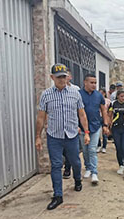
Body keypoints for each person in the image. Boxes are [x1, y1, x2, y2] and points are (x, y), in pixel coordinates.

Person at [35, 63, 90, 210]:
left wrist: (86, 132)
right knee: (56, 165)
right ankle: (58, 195)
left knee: (76, 162)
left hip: (71, 135)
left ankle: (77, 180)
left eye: (64, 77)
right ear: (52, 77)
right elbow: (41, 117)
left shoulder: (75, 93)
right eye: (58, 77)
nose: (61, 80)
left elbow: (82, 114)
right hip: (54, 136)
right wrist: (38, 137)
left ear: (67, 77)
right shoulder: (46, 95)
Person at [79, 74, 109, 184]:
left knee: (92, 149)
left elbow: (104, 110)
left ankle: (94, 172)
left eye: (95, 83)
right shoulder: (79, 95)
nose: (94, 85)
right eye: (91, 83)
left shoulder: (99, 96)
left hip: (96, 126)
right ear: (85, 82)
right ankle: (88, 168)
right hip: (82, 128)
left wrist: (105, 124)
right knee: (85, 150)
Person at [63, 67, 80, 179]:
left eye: (66, 75)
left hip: (72, 125)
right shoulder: (54, 89)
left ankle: (68, 169)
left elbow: (79, 109)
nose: (65, 78)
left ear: (70, 77)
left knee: (72, 152)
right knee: (63, 150)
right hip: (60, 127)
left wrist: (78, 125)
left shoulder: (75, 90)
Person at [97, 88, 111, 153]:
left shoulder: (108, 101)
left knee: (104, 133)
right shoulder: (96, 100)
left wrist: (109, 120)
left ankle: (104, 146)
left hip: (105, 117)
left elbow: (109, 111)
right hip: (98, 117)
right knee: (97, 132)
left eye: (102, 93)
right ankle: (99, 145)